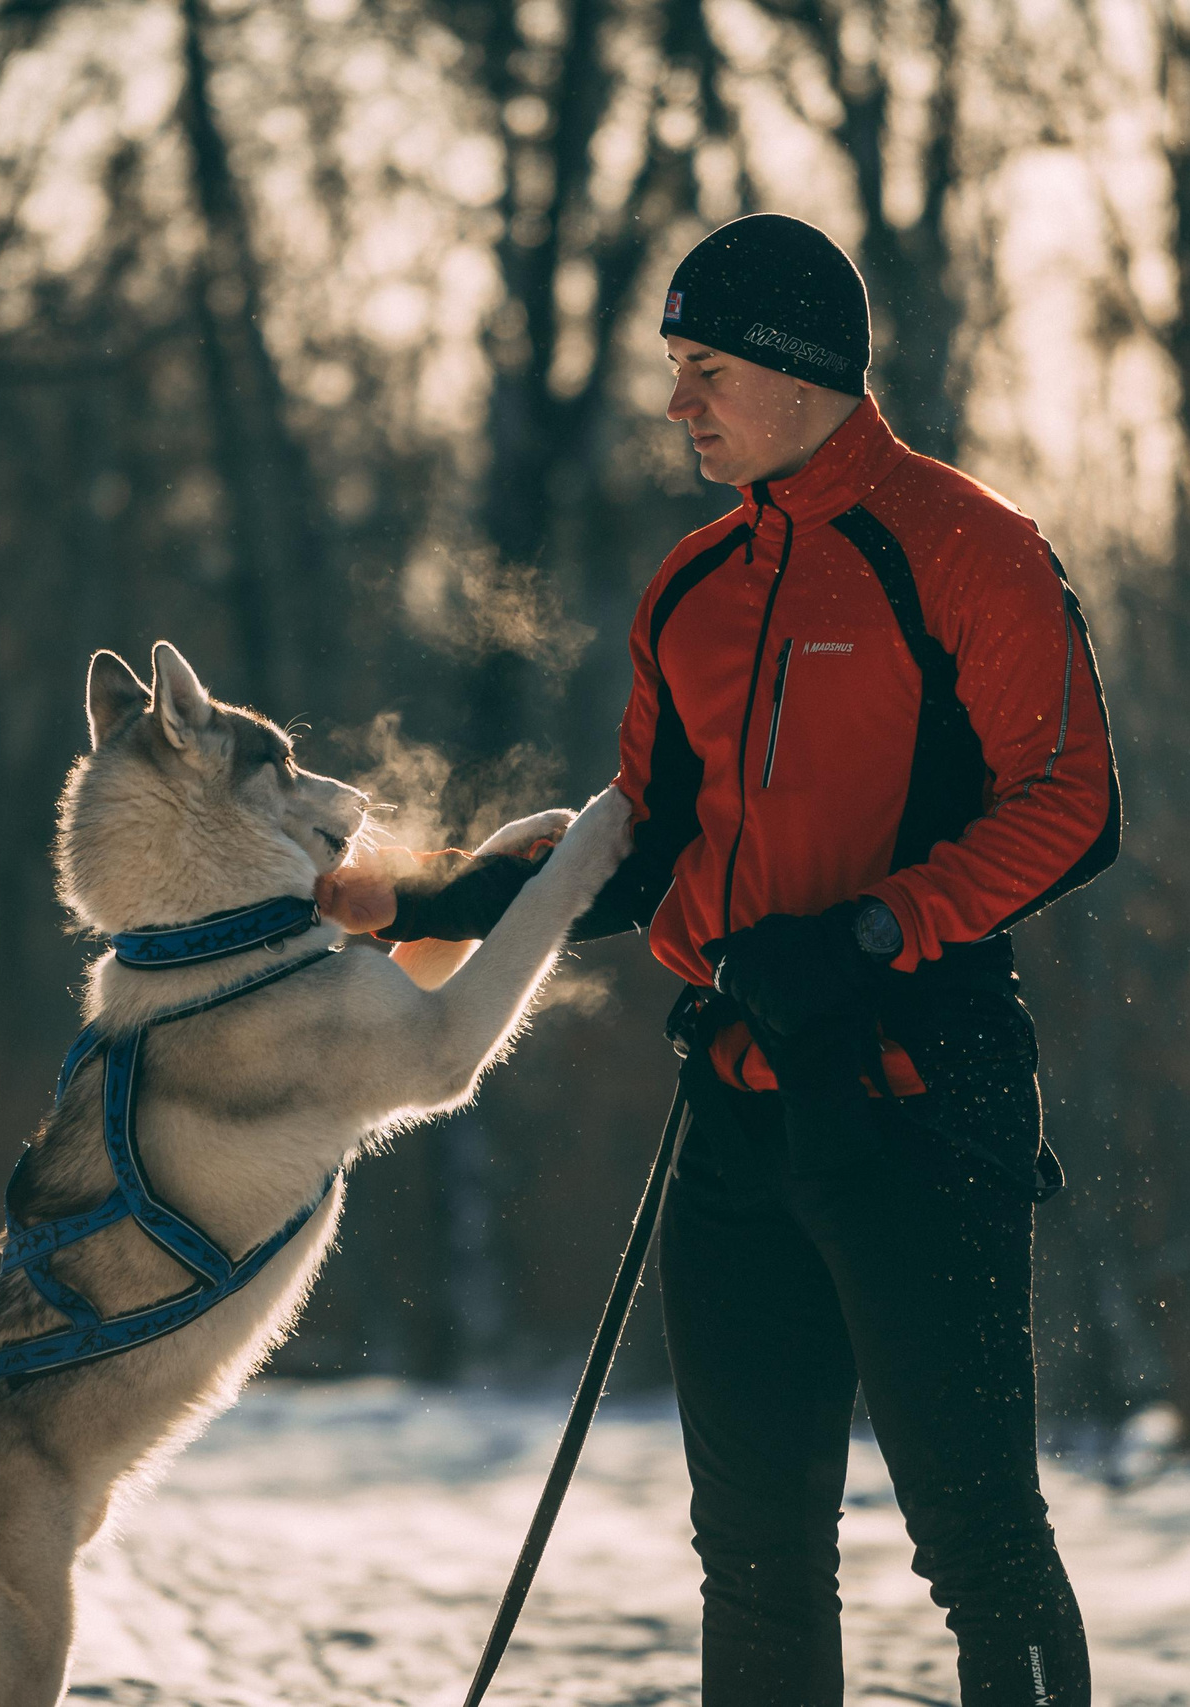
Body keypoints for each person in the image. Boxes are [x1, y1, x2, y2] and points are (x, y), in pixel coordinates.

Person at [321, 213, 1118, 1707]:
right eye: (673, 369)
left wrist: (876, 931)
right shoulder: (695, 589)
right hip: (737, 1112)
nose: (678, 402)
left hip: (919, 1093)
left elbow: (1074, 807)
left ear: (800, 370)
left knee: (978, 1542)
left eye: (704, 370)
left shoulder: (967, 550)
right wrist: (417, 902)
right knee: (752, 1550)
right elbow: (636, 845)